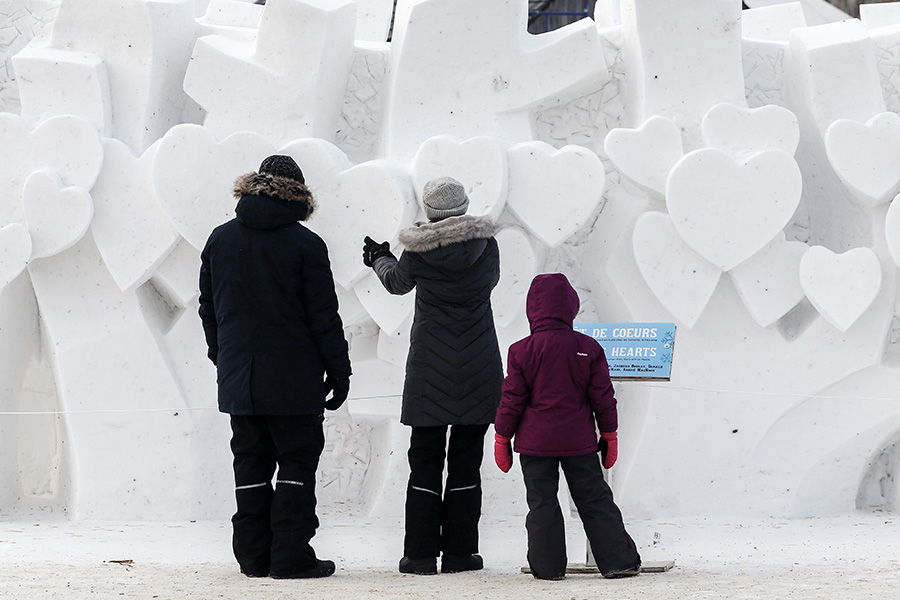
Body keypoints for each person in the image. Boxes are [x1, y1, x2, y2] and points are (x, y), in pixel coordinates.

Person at [199, 155, 351, 579]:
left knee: (250, 465)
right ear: (297, 192)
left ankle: (253, 557)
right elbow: (323, 316)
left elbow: (208, 307)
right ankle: (290, 555)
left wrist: (222, 354)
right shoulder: (306, 244)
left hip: (240, 380)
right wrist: (340, 372)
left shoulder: (220, 239)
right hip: (294, 381)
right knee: (297, 464)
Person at [362, 176, 503, 575]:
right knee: (466, 463)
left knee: (424, 463)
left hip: (429, 369)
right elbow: (488, 282)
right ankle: (460, 554)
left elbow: (396, 285)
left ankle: (420, 556)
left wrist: (379, 258)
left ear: (429, 210)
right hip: (478, 366)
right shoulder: (486, 245)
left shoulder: (418, 251)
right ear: (463, 206)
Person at [493, 273, 641, 581]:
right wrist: (609, 434)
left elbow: (512, 400)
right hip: (580, 442)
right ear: (571, 306)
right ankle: (618, 561)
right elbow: (603, 398)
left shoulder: (521, 351)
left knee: (542, 502)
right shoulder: (588, 347)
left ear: (532, 309)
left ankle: (547, 567)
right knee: (594, 498)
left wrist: (502, 437)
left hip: (534, 444)